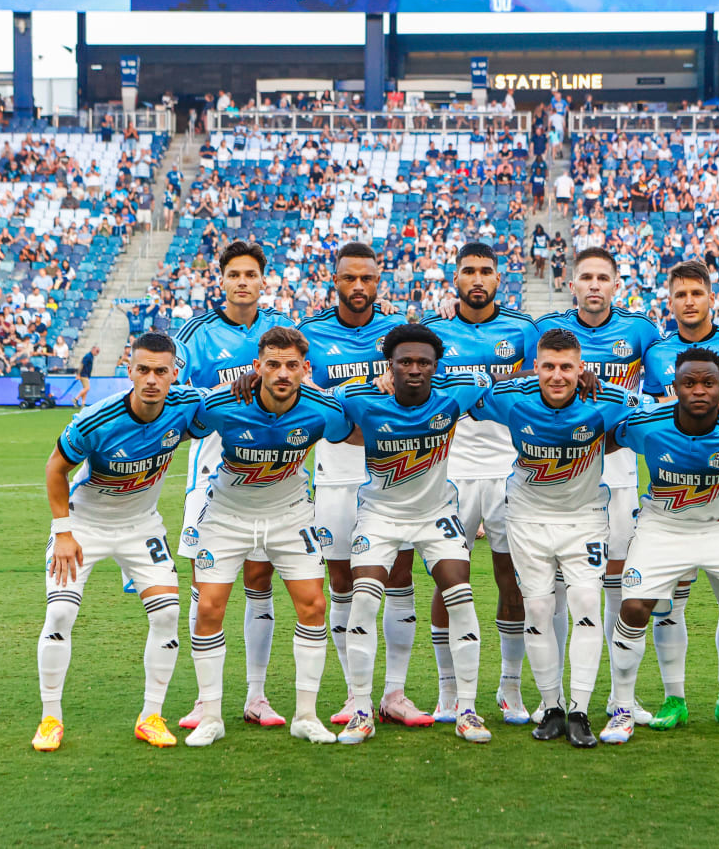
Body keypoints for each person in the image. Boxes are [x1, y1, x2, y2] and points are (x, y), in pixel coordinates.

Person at [536, 248, 719, 729]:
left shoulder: (647, 335)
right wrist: (445, 309)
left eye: (603, 277)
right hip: (571, 469)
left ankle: (626, 698)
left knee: (630, 585)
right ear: (572, 284)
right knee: (562, 589)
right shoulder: (560, 331)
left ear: (617, 285)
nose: (594, 285)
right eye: (586, 277)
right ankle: (557, 699)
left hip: (635, 476)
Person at [602, 347, 719, 747]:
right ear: (675, 387)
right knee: (633, 608)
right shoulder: (646, 423)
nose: (699, 390)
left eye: (709, 383)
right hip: (661, 528)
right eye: (689, 382)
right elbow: (604, 439)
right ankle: (622, 708)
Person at [33, 332, 204, 752]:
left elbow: (229, 404)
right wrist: (63, 532)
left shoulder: (187, 406)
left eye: (160, 371)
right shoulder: (96, 419)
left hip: (141, 527)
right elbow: (55, 469)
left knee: (167, 615)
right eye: (143, 370)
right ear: (129, 370)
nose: (151, 380)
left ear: (174, 374)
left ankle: (151, 716)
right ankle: (50, 718)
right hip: (83, 526)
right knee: (59, 613)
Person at [183, 328, 351, 747]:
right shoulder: (221, 403)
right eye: (273, 364)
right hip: (226, 514)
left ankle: (306, 716)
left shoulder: (323, 409)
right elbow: (176, 424)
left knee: (313, 605)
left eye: (292, 365)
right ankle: (210, 716)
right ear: (257, 366)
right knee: (208, 607)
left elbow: (360, 429)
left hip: (291, 514)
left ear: (305, 369)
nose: (282, 373)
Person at [472, 328, 638, 748]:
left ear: (582, 368)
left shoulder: (607, 399)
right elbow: (458, 390)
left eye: (567, 367)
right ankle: (552, 708)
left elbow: (669, 409)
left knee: (586, 604)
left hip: (585, 519)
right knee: (539, 608)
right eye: (548, 367)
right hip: (527, 518)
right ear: (536, 367)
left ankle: (579, 711)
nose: (558, 376)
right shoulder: (512, 398)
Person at [333, 325, 494, 745]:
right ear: (390, 365)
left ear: (436, 366)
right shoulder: (359, 396)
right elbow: (311, 400)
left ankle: (467, 709)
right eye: (405, 361)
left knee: (460, 594)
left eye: (424, 362)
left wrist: (580, 376)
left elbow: (506, 378)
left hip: (436, 514)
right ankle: (362, 710)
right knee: (364, 598)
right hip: (380, 514)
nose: (415, 369)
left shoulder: (456, 393)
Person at [292, 242, 428, 727]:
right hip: (336, 474)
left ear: (378, 281)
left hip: (395, 473)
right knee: (342, 584)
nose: (358, 286)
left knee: (399, 578)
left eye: (366, 278)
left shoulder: (397, 333)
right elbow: (299, 394)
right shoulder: (309, 334)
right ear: (335, 281)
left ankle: (395, 693)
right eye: (349, 278)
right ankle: (356, 694)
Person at [172, 241, 295, 731]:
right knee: (206, 588)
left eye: (251, 274)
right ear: (220, 279)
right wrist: (230, 388)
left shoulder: (282, 328)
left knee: (259, 581)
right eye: (234, 274)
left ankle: (257, 695)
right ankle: (205, 700)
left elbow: (307, 381)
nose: (242, 282)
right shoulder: (196, 333)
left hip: (271, 471)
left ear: (264, 280)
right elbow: (174, 392)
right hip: (211, 473)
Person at [639, 259, 719, 731]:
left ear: (712, 297)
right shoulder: (656, 352)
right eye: (680, 295)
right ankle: (675, 699)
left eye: (697, 293)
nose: (689, 302)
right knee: (669, 603)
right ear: (669, 302)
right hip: (672, 494)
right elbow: (650, 412)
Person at [421, 243, 540, 725]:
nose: (477, 278)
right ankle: (448, 689)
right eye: (468, 270)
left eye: (485, 271)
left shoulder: (524, 329)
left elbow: (547, 377)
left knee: (513, 579)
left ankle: (510, 687)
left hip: (510, 468)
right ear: (455, 278)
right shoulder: (434, 330)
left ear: (498, 278)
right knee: (449, 579)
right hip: (450, 470)